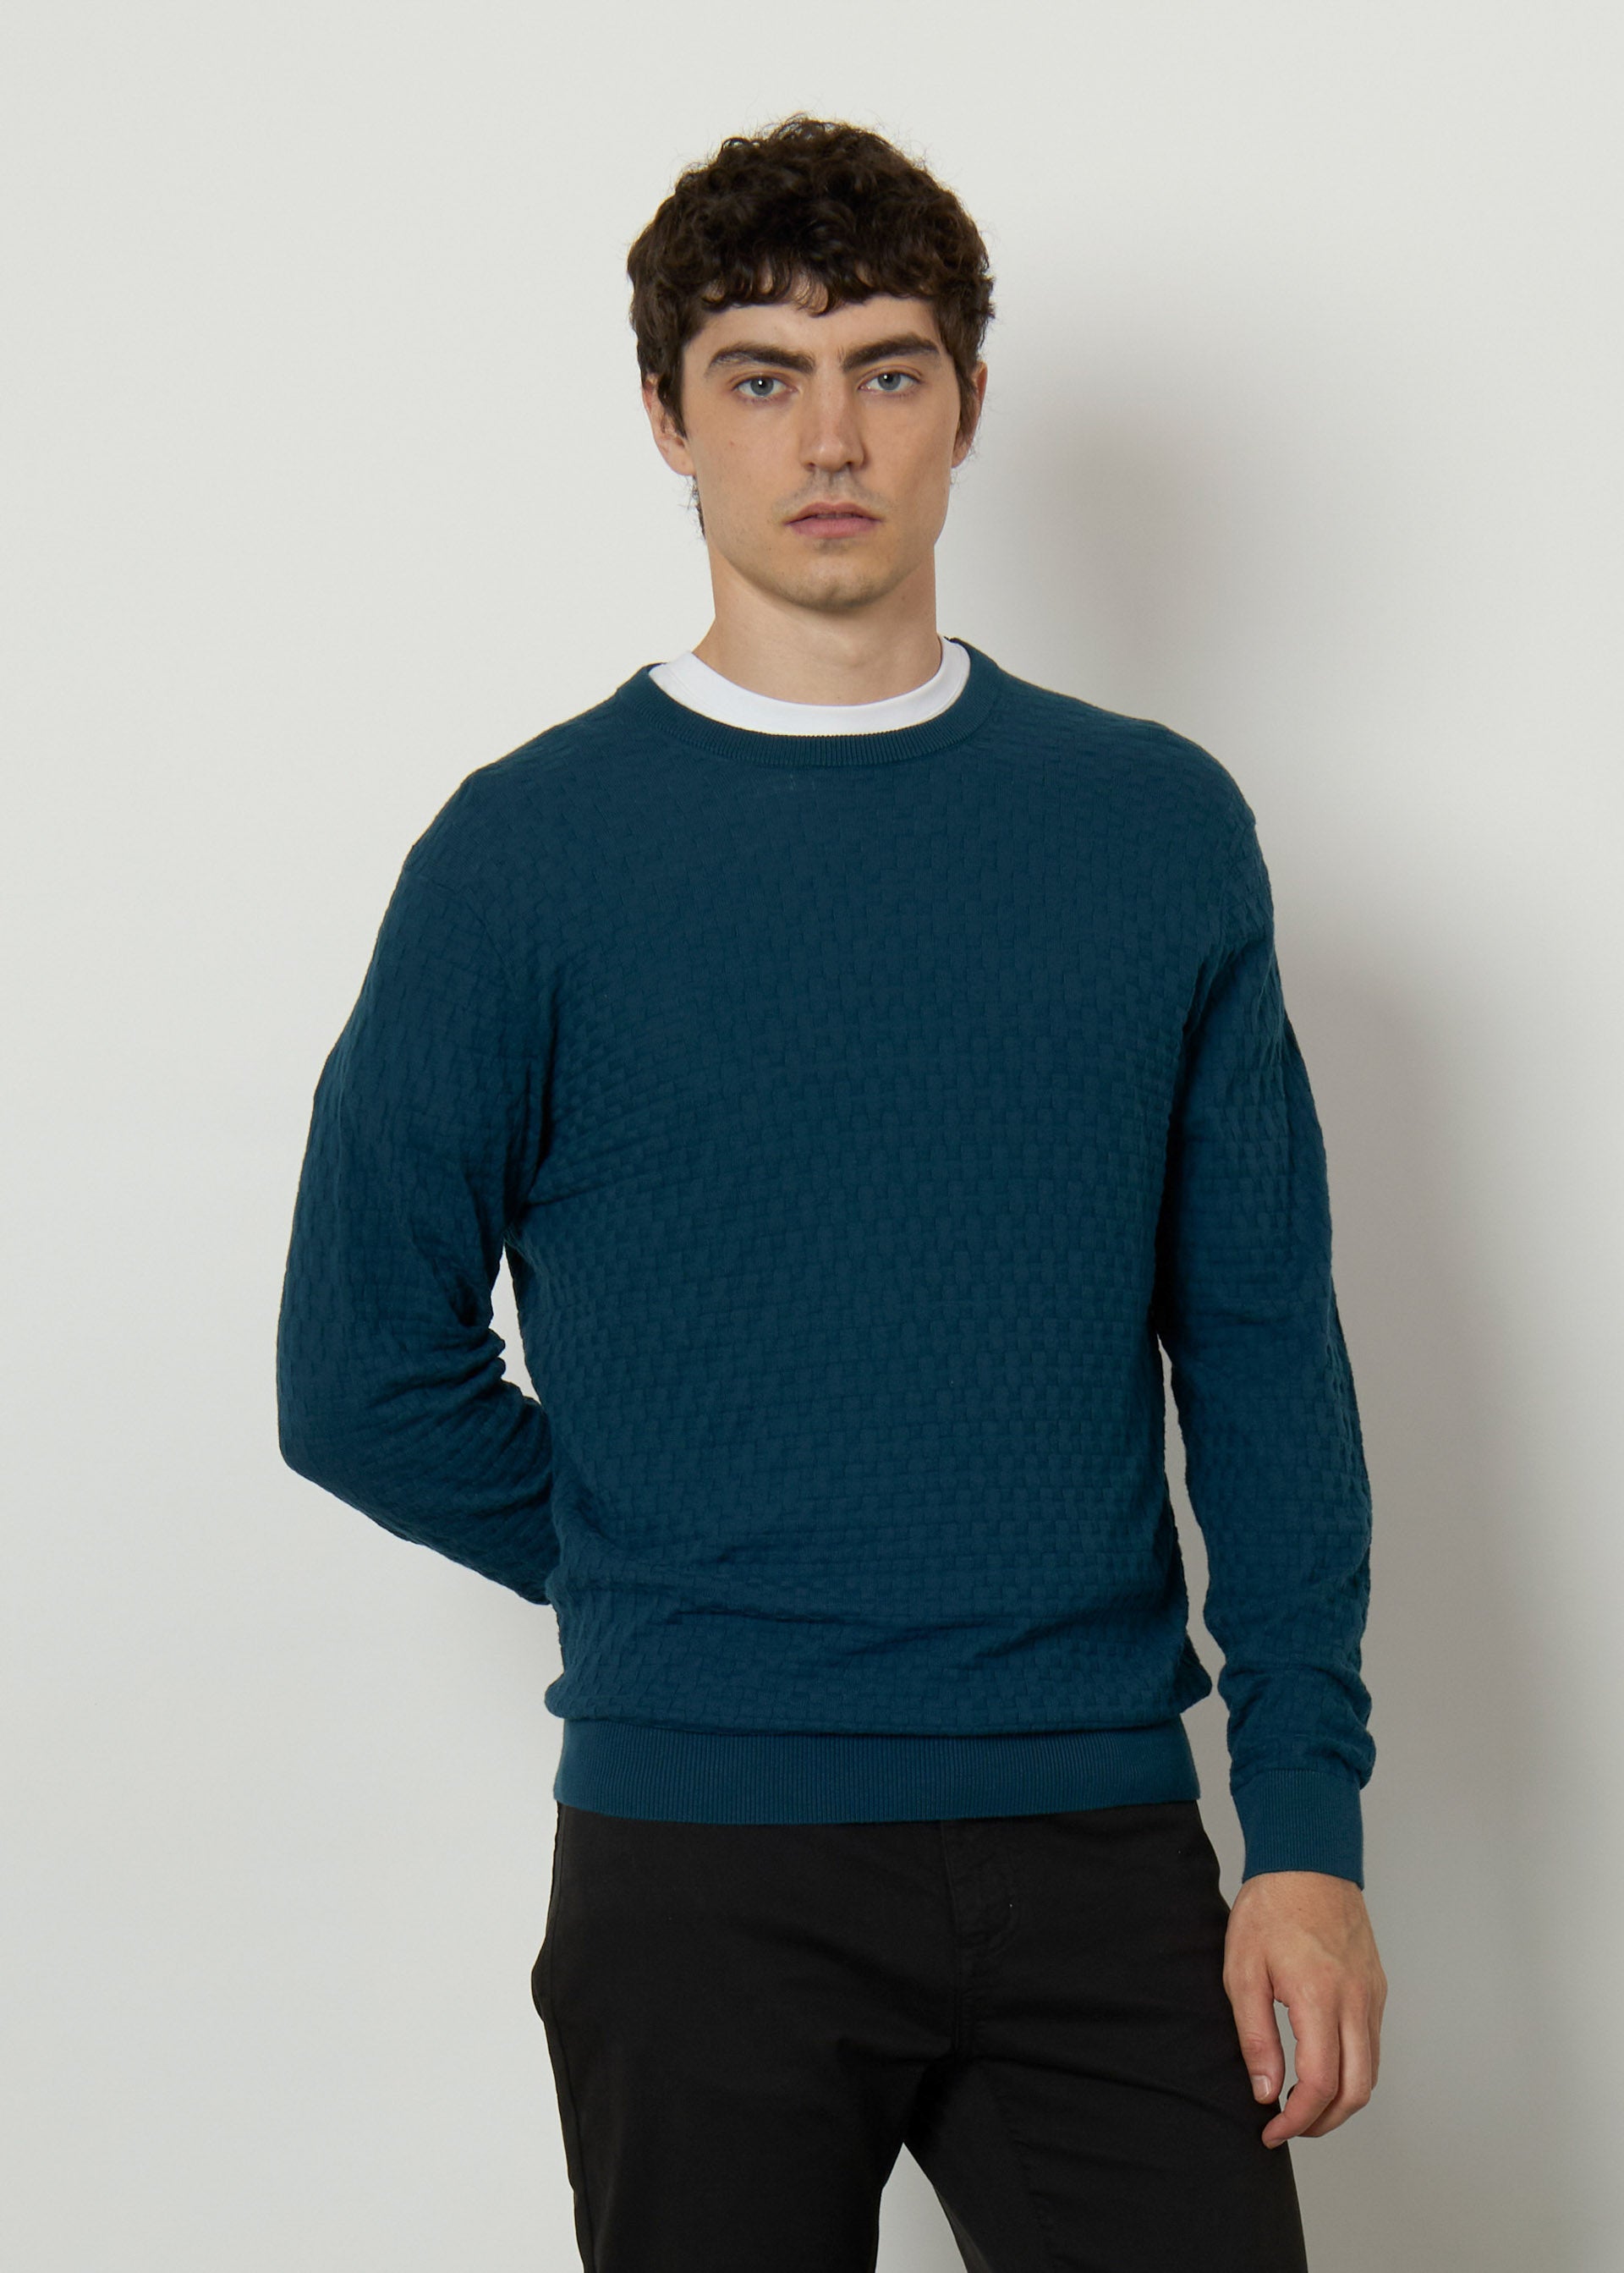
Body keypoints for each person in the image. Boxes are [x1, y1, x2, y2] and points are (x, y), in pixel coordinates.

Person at [276, 113, 1385, 2273]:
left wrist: (1309, 1831)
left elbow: (1266, 1360)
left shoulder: (1152, 830)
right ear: (666, 420)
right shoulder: (529, 857)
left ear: (968, 403)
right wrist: (685, 1587)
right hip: (705, 1866)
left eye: (887, 369)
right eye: (761, 377)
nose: (831, 439)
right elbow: (359, 1374)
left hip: (1099, 1838)